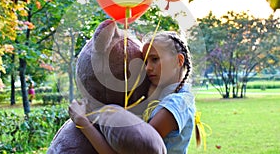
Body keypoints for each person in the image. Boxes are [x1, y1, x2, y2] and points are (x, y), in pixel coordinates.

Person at [68, 31, 200, 154]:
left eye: (154, 59)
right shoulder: (159, 97)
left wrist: (82, 122)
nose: (148, 68)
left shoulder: (175, 104)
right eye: (145, 61)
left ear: (179, 60)